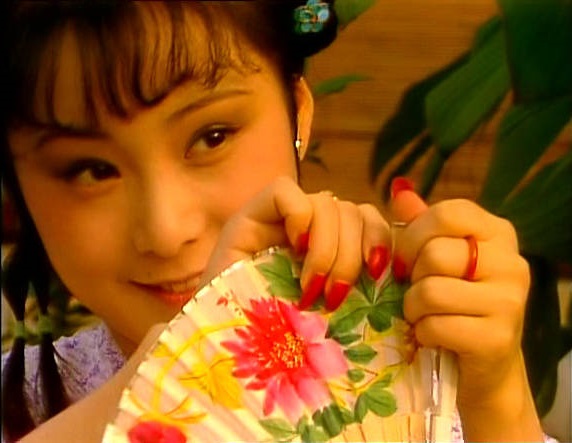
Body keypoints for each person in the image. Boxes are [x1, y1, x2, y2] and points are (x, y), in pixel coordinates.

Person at [1, 1, 545, 442]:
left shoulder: (440, 382)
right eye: (91, 170)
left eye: (212, 137)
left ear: (297, 112)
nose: (166, 231)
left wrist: (501, 406)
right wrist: (171, 372)